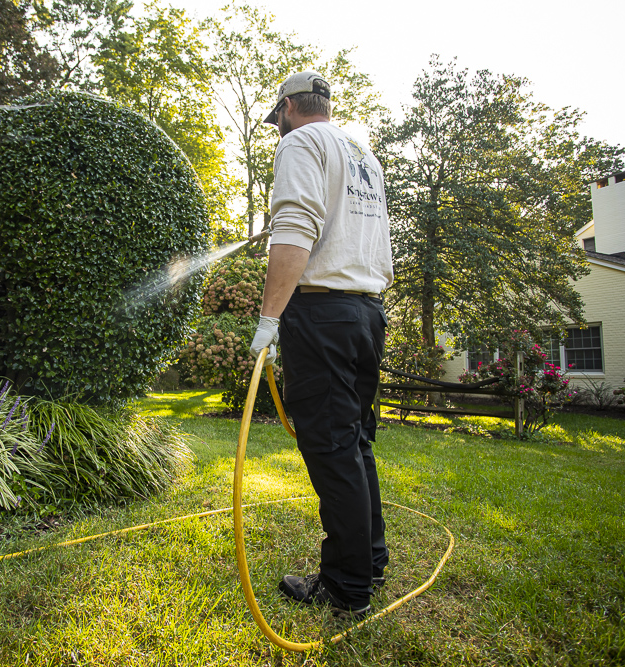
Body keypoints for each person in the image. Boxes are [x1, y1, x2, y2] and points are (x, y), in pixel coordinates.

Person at [250, 71, 393, 618]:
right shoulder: (362, 153)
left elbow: (295, 230)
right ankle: (369, 564)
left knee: (333, 452)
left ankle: (346, 587)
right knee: (354, 445)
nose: (277, 127)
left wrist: (270, 319)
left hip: (324, 314)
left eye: (276, 118)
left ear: (288, 107)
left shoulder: (299, 142)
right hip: (366, 312)